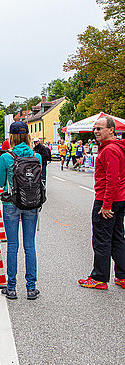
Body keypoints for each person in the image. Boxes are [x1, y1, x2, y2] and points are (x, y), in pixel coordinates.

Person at [0, 122, 42, 300]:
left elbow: (0, 183)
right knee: (30, 246)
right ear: (28, 136)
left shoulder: (6, 158)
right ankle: (31, 288)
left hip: (11, 205)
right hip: (31, 204)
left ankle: (12, 287)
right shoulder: (36, 156)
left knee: (13, 246)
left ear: (12, 137)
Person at [78, 116, 125, 290]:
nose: (96, 132)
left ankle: (99, 277)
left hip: (108, 199)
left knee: (102, 239)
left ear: (111, 130)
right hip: (119, 198)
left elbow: (112, 179)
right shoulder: (117, 147)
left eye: (100, 128)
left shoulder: (110, 150)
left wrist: (106, 204)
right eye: (95, 129)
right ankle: (122, 275)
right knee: (117, 237)